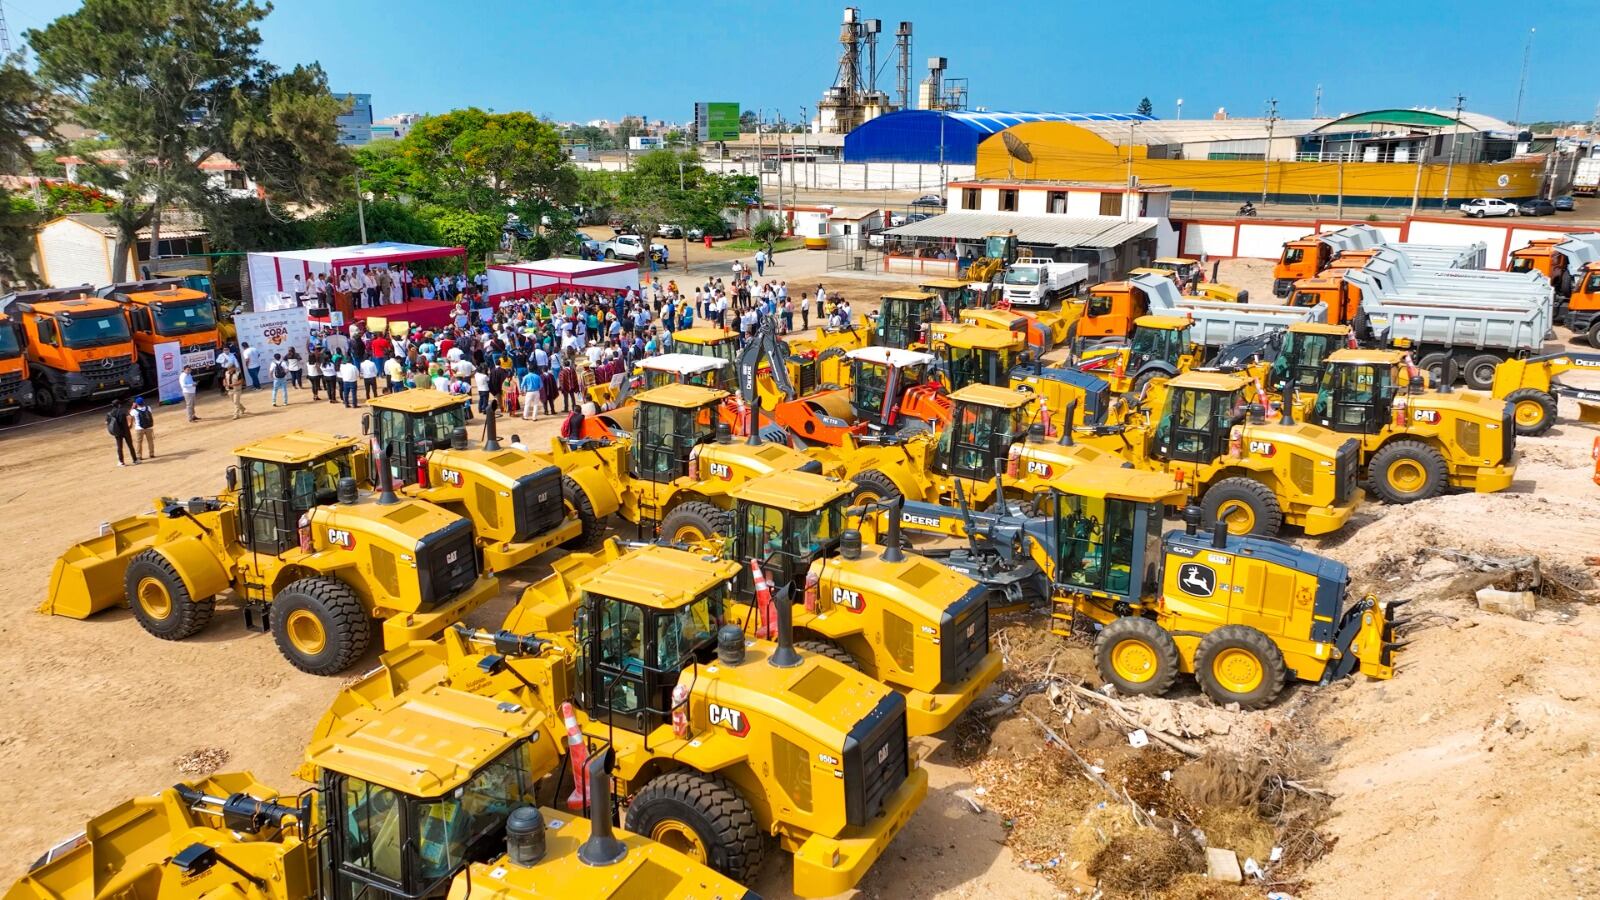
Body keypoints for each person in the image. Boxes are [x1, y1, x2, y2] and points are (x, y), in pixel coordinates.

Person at [107, 398, 138, 466]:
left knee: (119, 447)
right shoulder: (123, 410)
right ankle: (135, 460)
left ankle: (121, 462)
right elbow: (129, 417)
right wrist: (130, 425)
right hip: (125, 430)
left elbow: (107, 423)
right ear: (119, 404)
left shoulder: (110, 413)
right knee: (130, 445)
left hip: (117, 432)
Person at [130, 395, 155, 460]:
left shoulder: (134, 411)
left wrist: (133, 406)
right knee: (150, 441)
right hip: (149, 427)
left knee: (139, 442)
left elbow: (130, 415)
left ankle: (139, 456)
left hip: (139, 428)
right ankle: (151, 454)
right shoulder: (148, 408)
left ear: (136, 403)